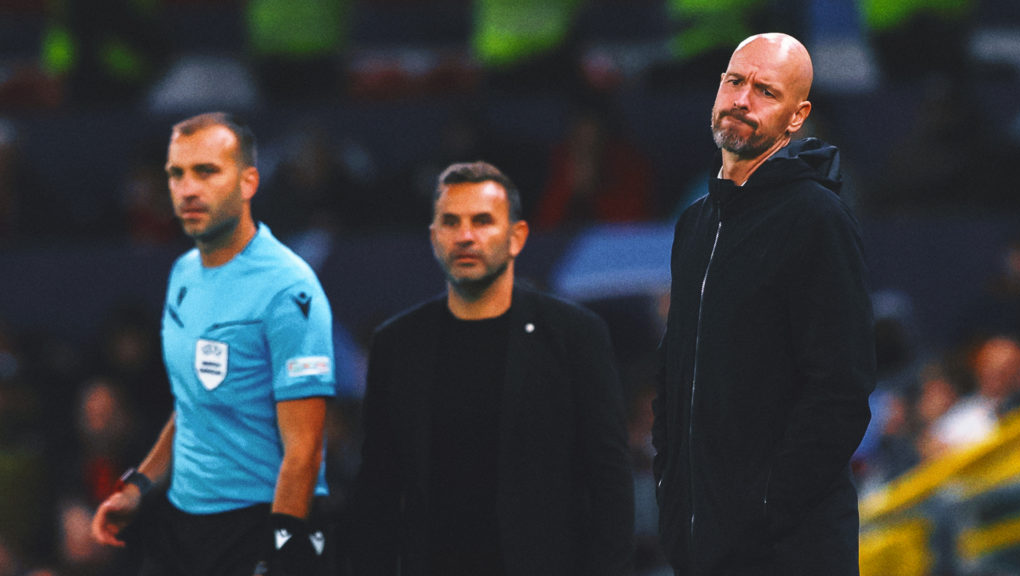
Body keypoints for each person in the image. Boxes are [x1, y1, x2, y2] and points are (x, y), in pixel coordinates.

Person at [651, 33, 875, 576]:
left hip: (788, 552)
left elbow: (841, 392)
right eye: (735, 81)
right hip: (703, 548)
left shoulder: (817, 218)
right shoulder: (695, 224)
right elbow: (676, 376)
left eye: (766, 91)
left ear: (797, 117)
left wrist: (766, 509)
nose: (742, 100)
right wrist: (672, 498)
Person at [344, 161, 634, 575]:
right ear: (433, 236)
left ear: (517, 237)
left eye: (482, 221)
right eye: (451, 222)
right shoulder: (397, 344)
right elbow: (377, 489)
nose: (465, 236)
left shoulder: (574, 335)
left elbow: (610, 481)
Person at [89, 112, 337, 576]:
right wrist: (138, 487)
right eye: (177, 174)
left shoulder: (288, 289)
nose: (187, 189)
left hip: (257, 524)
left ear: (248, 182)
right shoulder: (184, 274)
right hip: (181, 527)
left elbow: (305, 451)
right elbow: (193, 406)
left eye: (206, 172)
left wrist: (278, 552)